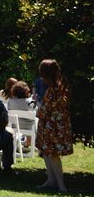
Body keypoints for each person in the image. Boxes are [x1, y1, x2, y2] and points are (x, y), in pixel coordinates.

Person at [36, 59, 72, 193]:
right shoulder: (59, 83)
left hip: (53, 125)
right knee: (46, 152)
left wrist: (40, 111)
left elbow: (50, 107)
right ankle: (51, 180)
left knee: (53, 154)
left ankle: (61, 186)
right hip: (52, 123)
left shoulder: (55, 87)